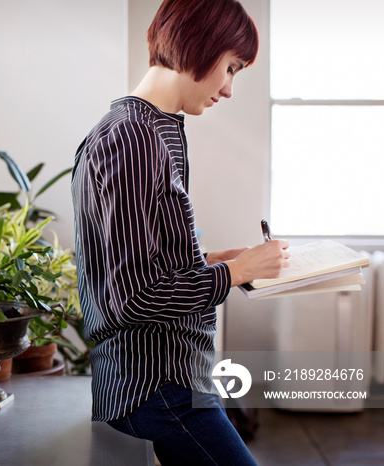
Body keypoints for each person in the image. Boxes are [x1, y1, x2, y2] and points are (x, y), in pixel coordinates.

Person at [70, 0, 290, 464]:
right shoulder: (131, 139)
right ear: (197, 45)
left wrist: (215, 262)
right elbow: (127, 299)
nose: (229, 90)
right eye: (230, 68)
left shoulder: (157, 129)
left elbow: (143, 263)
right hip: (155, 388)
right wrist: (233, 273)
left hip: (174, 382)